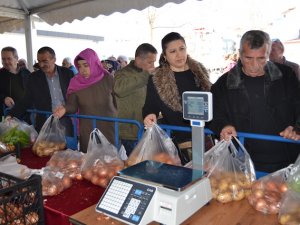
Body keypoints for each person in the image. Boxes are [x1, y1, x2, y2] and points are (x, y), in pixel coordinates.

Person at [209, 30, 300, 173]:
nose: (254, 65)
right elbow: (214, 112)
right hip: (244, 162)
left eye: (261, 59)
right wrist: (223, 126)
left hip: (288, 158)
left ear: (268, 53)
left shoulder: (286, 75)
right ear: (240, 53)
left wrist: (296, 127)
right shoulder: (224, 83)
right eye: (248, 58)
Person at [143, 32, 211, 162]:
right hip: (179, 141)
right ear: (165, 55)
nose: (179, 55)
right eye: (173, 51)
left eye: (182, 49)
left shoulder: (199, 71)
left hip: (206, 137)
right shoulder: (157, 78)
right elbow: (150, 105)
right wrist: (149, 115)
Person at [54, 48, 117, 153]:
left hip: (108, 126)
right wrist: (64, 109)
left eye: (86, 65)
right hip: (88, 129)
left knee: (110, 162)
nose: (82, 69)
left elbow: (117, 102)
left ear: (94, 63)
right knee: (89, 159)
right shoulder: (75, 82)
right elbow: (72, 105)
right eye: (79, 66)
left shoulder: (108, 79)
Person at [8, 46, 74, 136]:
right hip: (45, 121)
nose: (41, 65)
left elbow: (75, 96)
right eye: (39, 61)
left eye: (45, 61)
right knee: (45, 149)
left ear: (54, 59)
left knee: (68, 148)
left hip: (66, 119)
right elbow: (26, 99)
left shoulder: (67, 74)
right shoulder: (33, 77)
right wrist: (11, 114)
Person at [114, 43, 157, 156]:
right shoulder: (123, 73)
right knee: (136, 164)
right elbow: (119, 90)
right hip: (130, 130)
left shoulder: (149, 74)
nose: (153, 65)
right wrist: (145, 75)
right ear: (138, 59)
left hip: (146, 128)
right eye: (150, 62)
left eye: (154, 62)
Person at [0, 47, 31, 121]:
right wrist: (4, 98)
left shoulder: (26, 73)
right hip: (7, 114)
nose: (6, 62)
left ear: (16, 58)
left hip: (27, 114)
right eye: (3, 59)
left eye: (9, 58)